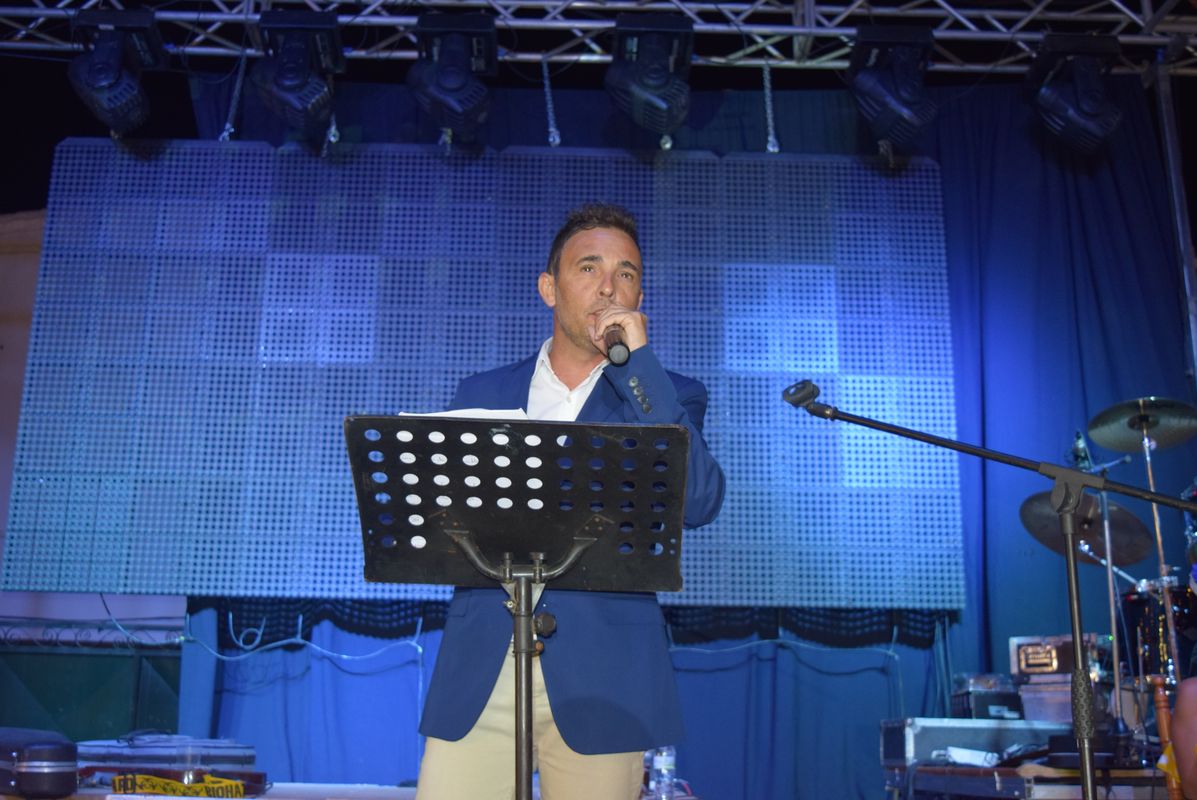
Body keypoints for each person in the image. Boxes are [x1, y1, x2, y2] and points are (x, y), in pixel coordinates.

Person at [414, 203, 726, 799]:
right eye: (589, 268)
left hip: (604, 678)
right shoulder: (482, 391)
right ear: (549, 289)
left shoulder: (668, 394)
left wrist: (641, 370)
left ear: (640, 297)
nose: (609, 286)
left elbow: (700, 502)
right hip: (483, 669)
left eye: (626, 273)